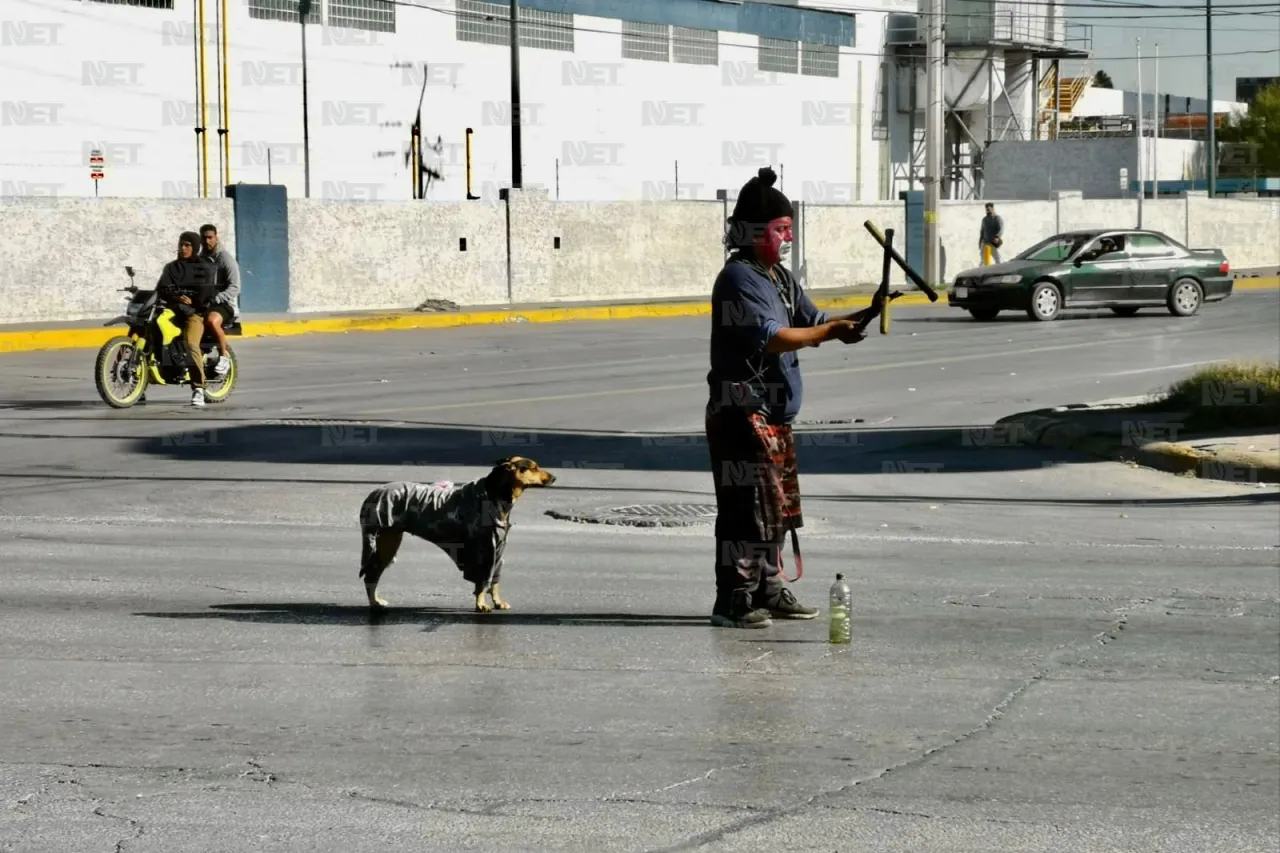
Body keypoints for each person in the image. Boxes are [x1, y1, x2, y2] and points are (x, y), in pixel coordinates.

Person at [705, 166, 890, 630]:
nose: (787, 238)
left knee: (776, 509)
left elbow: (816, 320)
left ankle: (768, 588)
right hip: (741, 413)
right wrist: (828, 332)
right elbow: (774, 338)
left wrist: (865, 312)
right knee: (746, 510)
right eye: (780, 230)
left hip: (773, 414)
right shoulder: (738, 280)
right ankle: (734, 598)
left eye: (790, 229)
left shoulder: (780, 278)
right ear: (752, 232)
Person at [156, 231, 218, 408]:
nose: (183, 248)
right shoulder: (171, 267)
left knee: (191, 344)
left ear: (195, 247)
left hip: (195, 313)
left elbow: (205, 292)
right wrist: (176, 297)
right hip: (173, 310)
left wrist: (194, 301)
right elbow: (162, 288)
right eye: (181, 245)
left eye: (187, 245)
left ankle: (199, 388)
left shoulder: (202, 266)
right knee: (152, 331)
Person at [199, 223, 240, 377]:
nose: (207, 241)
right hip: (204, 303)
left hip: (223, 305)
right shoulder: (200, 259)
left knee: (211, 321)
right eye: (204, 238)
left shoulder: (225, 259)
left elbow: (235, 287)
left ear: (216, 238)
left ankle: (223, 357)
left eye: (210, 237)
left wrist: (216, 298)